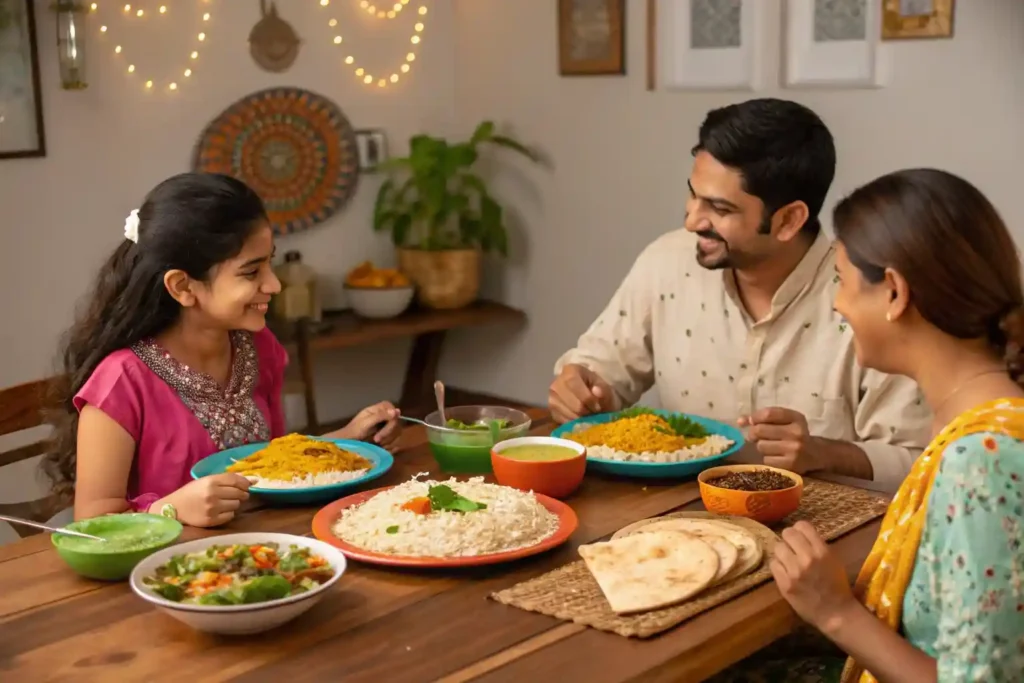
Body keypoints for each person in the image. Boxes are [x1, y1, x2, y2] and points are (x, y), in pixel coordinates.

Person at [719, 169, 1024, 682]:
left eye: (841, 281)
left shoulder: (984, 458)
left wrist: (834, 610)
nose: (837, 303)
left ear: (895, 294)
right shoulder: (973, 418)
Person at [549, 98, 929, 490]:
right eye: (693, 194)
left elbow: (921, 460)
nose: (692, 219)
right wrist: (581, 387)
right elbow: (601, 369)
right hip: (676, 519)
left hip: (822, 534)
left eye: (718, 207)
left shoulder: (863, 300)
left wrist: (824, 452)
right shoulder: (667, 262)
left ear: (788, 220)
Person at [45, 173, 403, 528]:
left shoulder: (258, 349)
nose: (274, 284)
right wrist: (171, 510)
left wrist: (348, 441)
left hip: (266, 547)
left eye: (269, 262)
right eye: (251, 272)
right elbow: (91, 525)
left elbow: (271, 465)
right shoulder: (121, 381)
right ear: (183, 286)